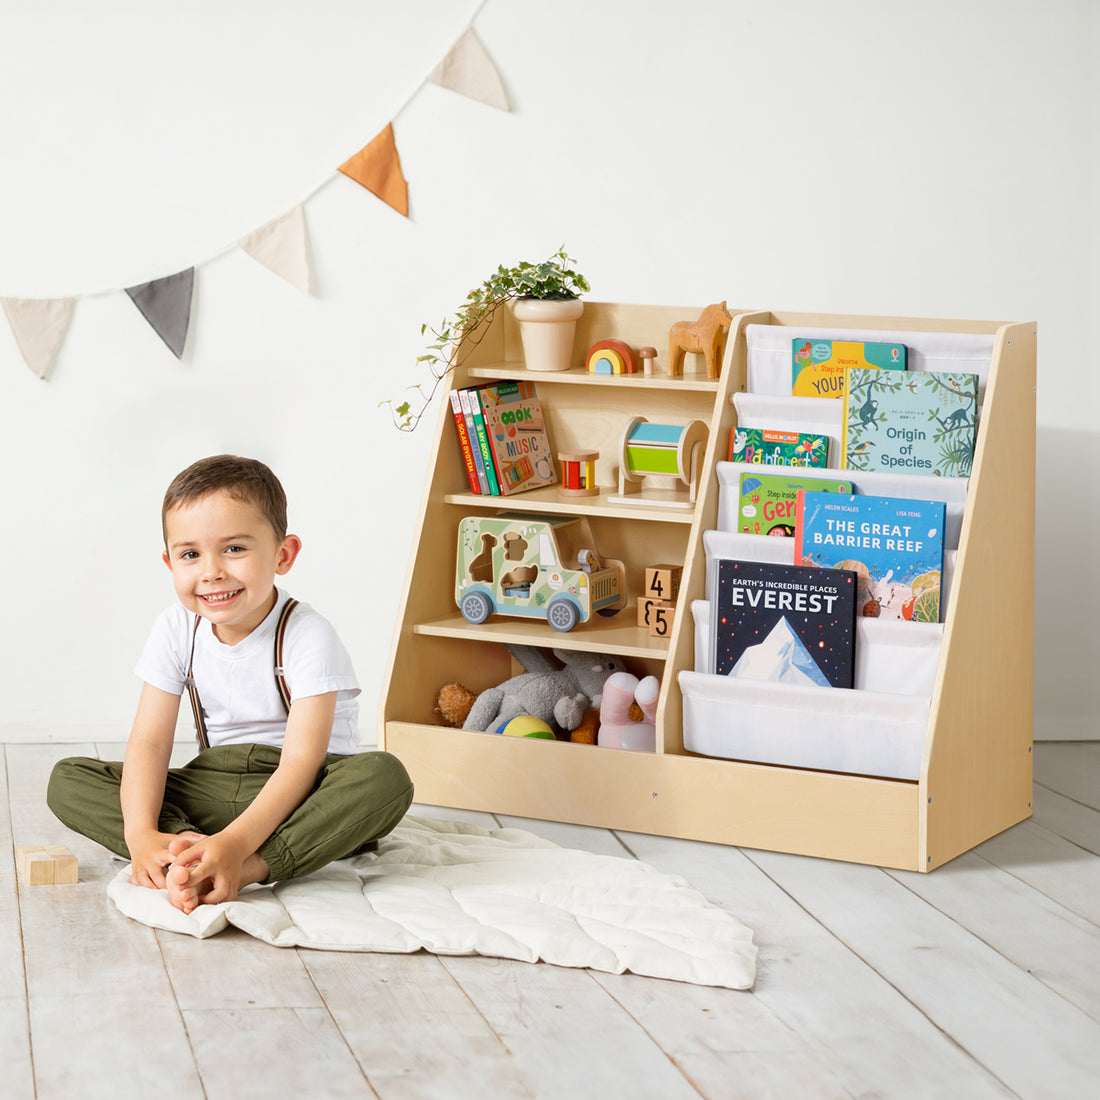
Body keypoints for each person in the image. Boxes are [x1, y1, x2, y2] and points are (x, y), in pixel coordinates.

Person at [47, 454, 413, 915]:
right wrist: (140, 834)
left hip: (309, 791)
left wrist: (238, 846)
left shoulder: (307, 634)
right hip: (214, 785)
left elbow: (302, 761)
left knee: (385, 777)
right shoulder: (177, 627)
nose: (211, 571)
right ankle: (182, 850)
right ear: (170, 563)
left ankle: (247, 866)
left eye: (235, 549)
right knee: (68, 779)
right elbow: (150, 743)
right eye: (190, 554)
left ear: (283, 555)